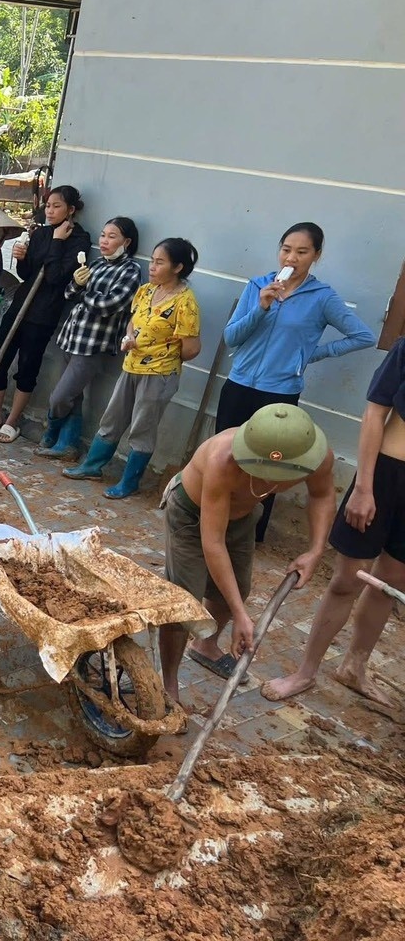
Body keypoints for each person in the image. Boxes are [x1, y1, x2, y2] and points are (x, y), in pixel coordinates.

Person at [159, 405, 335, 704]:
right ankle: (168, 685)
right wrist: (242, 616)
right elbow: (212, 542)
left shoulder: (316, 456)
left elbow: (322, 495)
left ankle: (205, 645)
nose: (270, 481)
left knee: (236, 589)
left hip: (243, 516)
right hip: (190, 514)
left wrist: (315, 551)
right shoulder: (222, 458)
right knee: (183, 603)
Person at [262, 339, 405, 705]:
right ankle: (305, 672)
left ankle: (354, 668)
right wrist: (364, 488)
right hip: (386, 476)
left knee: (389, 582)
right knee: (347, 580)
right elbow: (375, 414)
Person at [215, 222, 373, 543]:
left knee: (267, 467)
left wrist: (310, 355)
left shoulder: (322, 297)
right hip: (239, 385)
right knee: (225, 457)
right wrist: (261, 307)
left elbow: (363, 336)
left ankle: (250, 533)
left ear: (316, 255)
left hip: (280, 395)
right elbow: (232, 337)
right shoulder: (258, 285)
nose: (291, 258)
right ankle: (213, 522)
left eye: (302, 252)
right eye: (286, 249)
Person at [65, 238, 202, 498]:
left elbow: (192, 348)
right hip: (131, 366)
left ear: (178, 267)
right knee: (112, 418)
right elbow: (132, 321)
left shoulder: (186, 303)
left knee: (142, 427)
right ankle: (92, 466)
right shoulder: (146, 290)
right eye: (152, 260)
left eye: (160, 262)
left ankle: (129, 481)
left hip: (160, 375)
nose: (152, 267)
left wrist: (166, 357)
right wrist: (130, 337)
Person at [0, 185, 91, 444]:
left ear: (71, 210)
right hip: (21, 304)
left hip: (44, 312)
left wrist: (57, 242)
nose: (50, 211)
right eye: (48, 206)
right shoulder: (41, 233)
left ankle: (13, 421)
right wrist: (21, 258)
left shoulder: (79, 240)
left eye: (56, 206)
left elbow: (54, 277)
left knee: (27, 367)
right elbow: (28, 274)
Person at [36, 218, 143, 462]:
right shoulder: (95, 264)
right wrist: (77, 283)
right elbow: (68, 293)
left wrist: (83, 292)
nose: (104, 241)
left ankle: (51, 432)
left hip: (93, 344)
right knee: (74, 396)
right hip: (72, 336)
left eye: (112, 236)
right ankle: (68, 444)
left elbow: (109, 305)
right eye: (103, 235)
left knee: (60, 397)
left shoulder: (130, 271)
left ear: (126, 242)